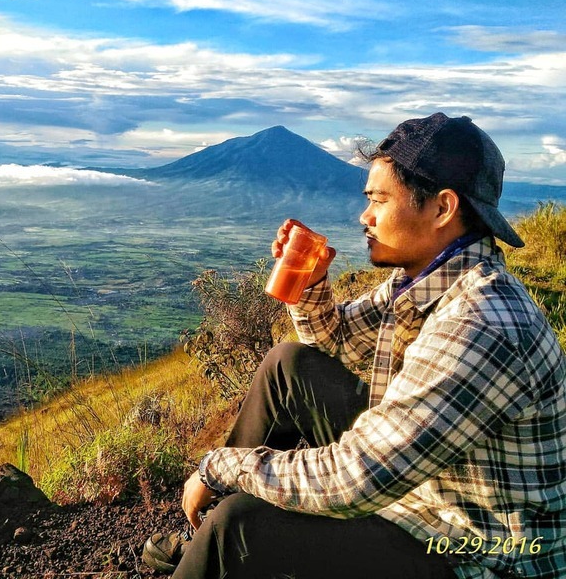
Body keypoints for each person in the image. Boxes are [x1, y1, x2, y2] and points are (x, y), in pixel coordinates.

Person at [142, 113, 566, 579]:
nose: (364, 216)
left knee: (239, 528)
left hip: (475, 554)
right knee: (288, 365)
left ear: (442, 209)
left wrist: (219, 466)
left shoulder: (479, 322)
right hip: (426, 494)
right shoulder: (427, 282)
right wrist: (311, 282)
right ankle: (203, 542)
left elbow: (355, 479)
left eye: (379, 200)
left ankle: (214, 543)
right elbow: (339, 341)